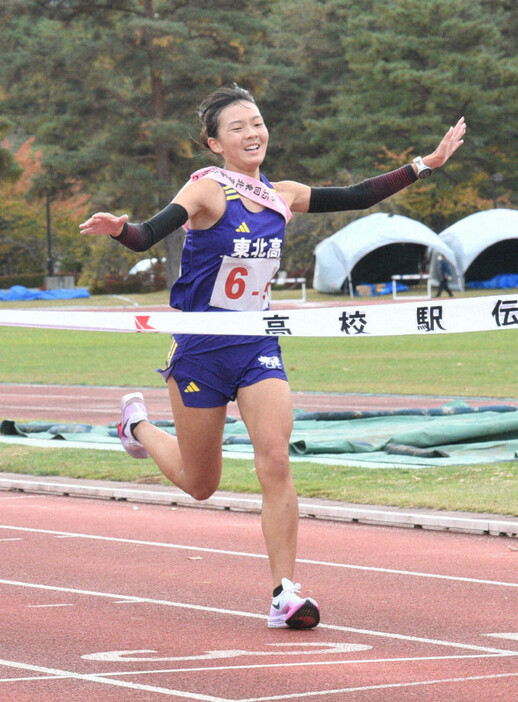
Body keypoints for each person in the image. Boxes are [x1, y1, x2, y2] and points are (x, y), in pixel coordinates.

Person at [80, 84, 466, 629]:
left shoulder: (281, 193)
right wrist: (121, 229)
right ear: (214, 143)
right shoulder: (207, 192)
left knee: (276, 460)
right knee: (200, 484)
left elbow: (357, 194)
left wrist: (424, 164)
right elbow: (148, 235)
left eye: (256, 123)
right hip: (199, 351)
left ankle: (284, 593)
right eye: (236, 128)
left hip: (257, 345)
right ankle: (137, 425)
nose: (252, 133)